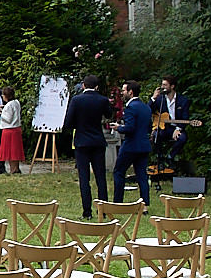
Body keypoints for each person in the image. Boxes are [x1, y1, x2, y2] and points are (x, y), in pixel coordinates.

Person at [64, 75, 111, 218]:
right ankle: (103, 210)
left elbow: (68, 123)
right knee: (100, 177)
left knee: (84, 178)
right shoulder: (102, 100)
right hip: (97, 140)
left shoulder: (77, 100)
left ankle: (87, 211)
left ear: (83, 85)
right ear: (97, 86)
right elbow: (109, 114)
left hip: (82, 141)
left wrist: (78, 125)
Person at [113, 79, 154, 205]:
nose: (122, 93)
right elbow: (148, 126)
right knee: (142, 175)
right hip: (143, 145)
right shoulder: (146, 107)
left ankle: (118, 202)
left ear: (130, 92)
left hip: (131, 146)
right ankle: (145, 203)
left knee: (119, 172)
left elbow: (130, 128)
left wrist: (118, 127)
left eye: (124, 90)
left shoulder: (130, 107)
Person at [0, 86, 26, 173]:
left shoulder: (9, 105)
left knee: (11, 152)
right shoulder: (16, 102)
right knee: (15, 150)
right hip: (16, 129)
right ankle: (16, 168)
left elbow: (8, 118)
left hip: (9, 130)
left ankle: (13, 169)